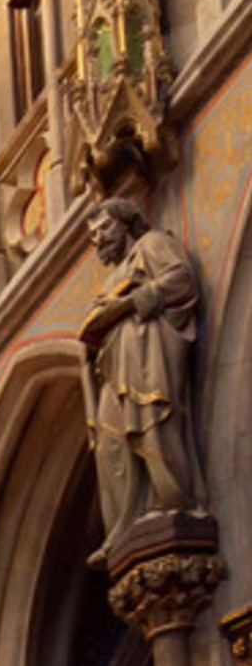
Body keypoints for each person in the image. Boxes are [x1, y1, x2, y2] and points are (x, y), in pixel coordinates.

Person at [80, 197, 208, 553]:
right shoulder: (112, 276)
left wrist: (129, 303)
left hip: (146, 357)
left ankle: (172, 503)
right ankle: (126, 523)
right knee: (110, 446)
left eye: (103, 228)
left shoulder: (151, 245)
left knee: (152, 426)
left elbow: (181, 280)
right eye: (92, 236)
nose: (98, 240)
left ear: (126, 223)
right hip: (114, 367)